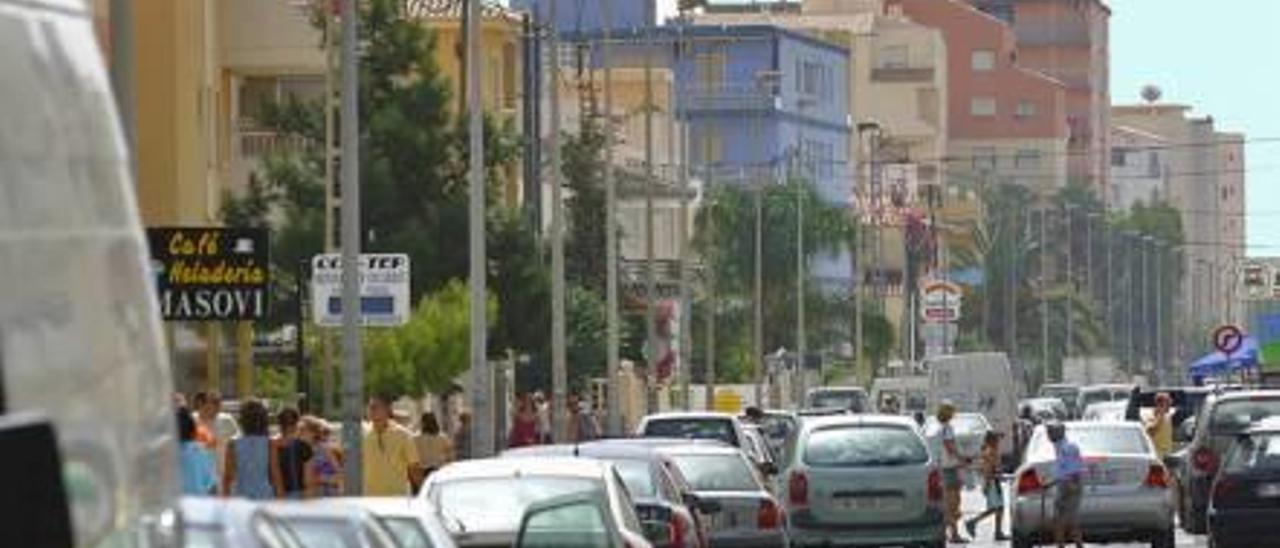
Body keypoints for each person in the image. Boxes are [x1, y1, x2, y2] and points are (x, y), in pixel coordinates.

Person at [363, 394, 422, 496]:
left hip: (397, 498)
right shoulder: (363, 435)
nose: (371, 411)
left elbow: (414, 467)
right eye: (370, 407)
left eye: (375, 407)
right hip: (369, 498)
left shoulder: (403, 435)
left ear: (387, 410)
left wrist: (421, 491)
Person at [221, 399, 276, 499]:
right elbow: (274, 474)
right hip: (264, 495)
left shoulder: (233, 443)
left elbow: (228, 477)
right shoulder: (269, 443)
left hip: (240, 495)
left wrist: (225, 499)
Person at [935, 401, 971, 543]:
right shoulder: (947, 428)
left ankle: (946, 533)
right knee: (953, 503)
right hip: (949, 468)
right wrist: (962, 459)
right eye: (952, 411)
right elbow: (950, 447)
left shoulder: (940, 428)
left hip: (945, 467)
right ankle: (954, 534)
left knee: (950, 503)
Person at [1047, 422, 1085, 548]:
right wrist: (1050, 483)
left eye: (1051, 432)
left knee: (1070, 521)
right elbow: (1062, 470)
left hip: (1070, 487)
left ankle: (1078, 545)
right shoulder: (1058, 447)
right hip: (1063, 486)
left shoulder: (1068, 447)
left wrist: (1071, 486)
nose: (1048, 435)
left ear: (1059, 433)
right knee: (1059, 520)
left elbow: (1074, 471)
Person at [965, 431, 1008, 541]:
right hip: (992, 483)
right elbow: (988, 470)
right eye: (997, 440)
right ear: (992, 441)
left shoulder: (992, 451)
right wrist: (988, 484)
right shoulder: (990, 452)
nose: (999, 442)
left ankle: (998, 532)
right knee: (995, 508)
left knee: (999, 508)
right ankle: (972, 522)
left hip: (994, 482)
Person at [193, 391, 240, 484]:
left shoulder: (226, 419)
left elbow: (238, 440)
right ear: (202, 404)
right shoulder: (192, 420)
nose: (217, 410)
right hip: (200, 475)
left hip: (223, 473)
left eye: (218, 406)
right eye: (213, 405)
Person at [272, 407, 311, 499]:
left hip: (274, 493)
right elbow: (308, 478)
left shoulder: (271, 445)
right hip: (298, 493)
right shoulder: (304, 446)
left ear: (279, 424)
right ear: (297, 423)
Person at [176, 407, 216, 496]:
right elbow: (212, 485)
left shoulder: (167, 454)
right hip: (199, 505)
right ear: (193, 429)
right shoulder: (202, 451)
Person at [300, 416, 343, 497]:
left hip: (328, 497)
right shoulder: (300, 450)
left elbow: (340, 477)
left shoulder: (325, 450)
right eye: (299, 430)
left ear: (314, 432)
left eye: (303, 430)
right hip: (310, 498)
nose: (299, 434)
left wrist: (320, 479)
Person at [415, 412, 454, 476]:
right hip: (439, 469)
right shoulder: (442, 437)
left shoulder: (416, 438)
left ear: (422, 423)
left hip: (423, 471)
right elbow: (449, 455)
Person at [1145, 392, 1174, 461]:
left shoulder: (1168, 417)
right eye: (1167, 404)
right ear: (1159, 404)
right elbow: (1151, 431)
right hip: (1157, 455)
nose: (1169, 407)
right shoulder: (1150, 415)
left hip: (1167, 454)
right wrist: (1160, 416)